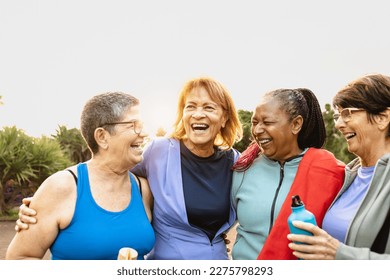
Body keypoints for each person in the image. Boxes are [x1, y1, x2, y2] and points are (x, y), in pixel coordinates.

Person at [15, 77, 243, 260]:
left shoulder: (235, 162)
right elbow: (103, 169)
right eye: (190, 106)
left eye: (209, 107)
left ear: (224, 118)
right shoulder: (158, 152)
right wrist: (41, 202)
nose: (144, 133)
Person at [6, 92, 155, 260]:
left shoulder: (144, 189)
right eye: (133, 125)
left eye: (142, 125)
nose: (143, 133)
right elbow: (18, 259)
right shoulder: (62, 186)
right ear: (102, 137)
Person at [231, 88, 345, 260]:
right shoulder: (243, 169)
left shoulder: (330, 172)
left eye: (267, 122)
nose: (258, 130)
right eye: (255, 122)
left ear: (296, 124)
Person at [287, 73, 390, 260]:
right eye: (337, 115)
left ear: (382, 118)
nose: (338, 124)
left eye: (347, 114)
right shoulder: (348, 175)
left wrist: (338, 254)